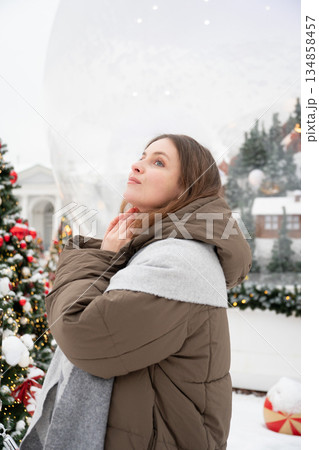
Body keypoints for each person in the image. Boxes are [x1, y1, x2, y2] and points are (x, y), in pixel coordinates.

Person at [20, 134, 252, 450]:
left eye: (158, 162)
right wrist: (109, 255)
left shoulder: (179, 260)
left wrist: (100, 257)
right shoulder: (155, 250)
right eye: (142, 156)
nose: (137, 165)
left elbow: (82, 332)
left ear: (188, 188)